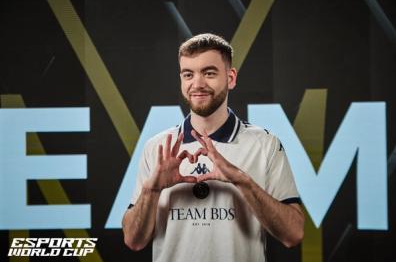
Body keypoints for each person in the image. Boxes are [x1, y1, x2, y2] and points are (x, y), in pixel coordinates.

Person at [122, 33, 304, 262]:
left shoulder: (265, 144)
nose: (197, 84)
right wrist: (152, 190)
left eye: (209, 73)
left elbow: (293, 234)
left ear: (231, 78)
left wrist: (241, 180)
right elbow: (133, 240)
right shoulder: (157, 147)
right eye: (188, 74)